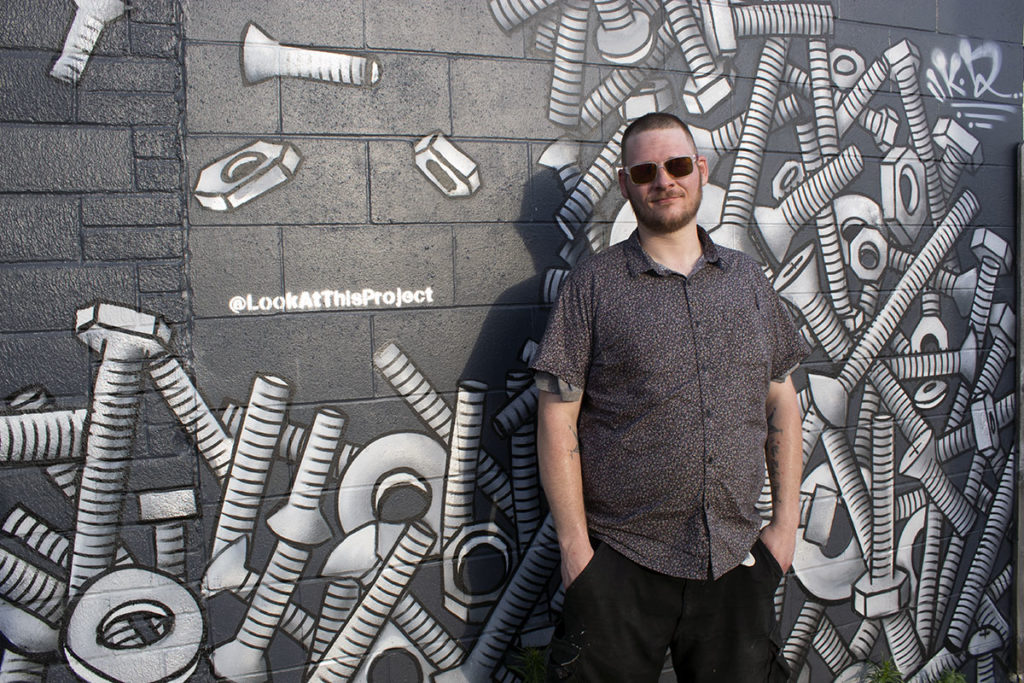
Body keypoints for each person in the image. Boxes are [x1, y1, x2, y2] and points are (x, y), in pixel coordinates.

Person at [530, 112, 809, 682]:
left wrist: (784, 528)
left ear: (701, 171)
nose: (665, 181)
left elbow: (783, 401)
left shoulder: (747, 281)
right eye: (646, 170)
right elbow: (557, 419)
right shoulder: (594, 285)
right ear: (625, 183)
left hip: (735, 558)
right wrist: (577, 553)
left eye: (678, 165)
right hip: (622, 560)